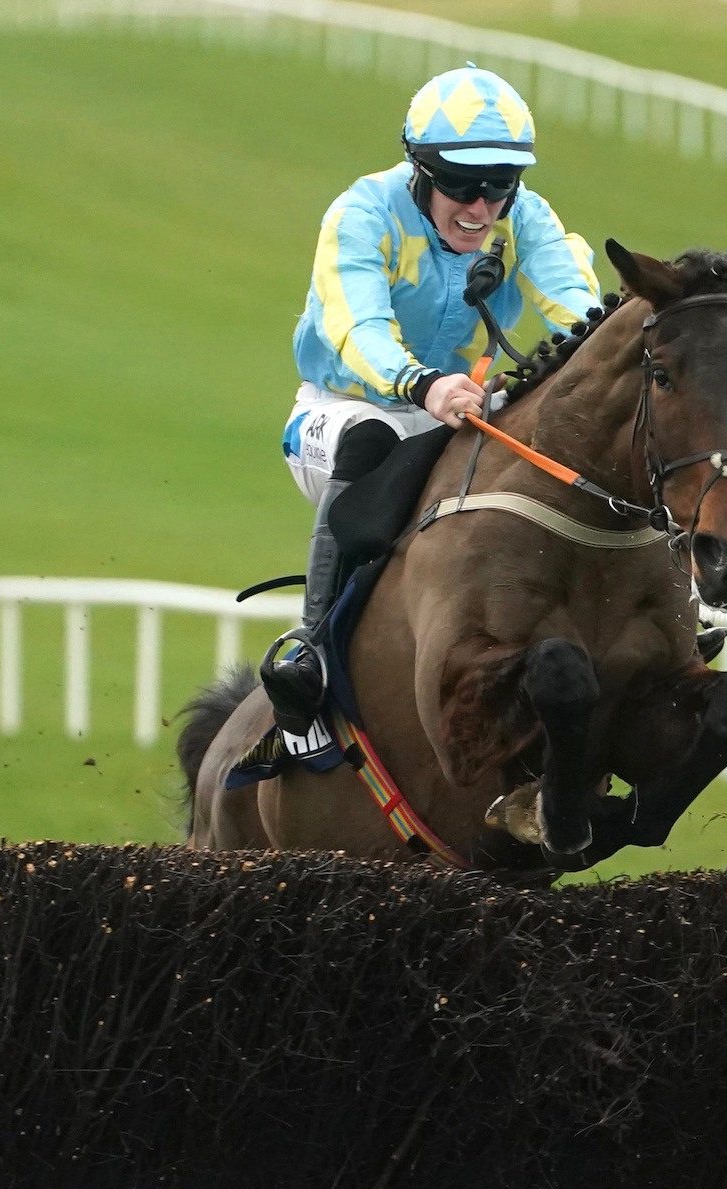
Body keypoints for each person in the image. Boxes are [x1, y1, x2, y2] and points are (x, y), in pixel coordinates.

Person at [258, 65, 602, 736]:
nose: (480, 210)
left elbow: (579, 309)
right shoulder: (362, 213)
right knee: (373, 441)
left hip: (459, 407)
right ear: (418, 169)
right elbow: (357, 325)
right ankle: (312, 648)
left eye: (498, 189)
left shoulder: (524, 218)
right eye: (463, 187)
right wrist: (423, 384)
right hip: (345, 407)